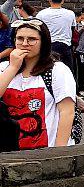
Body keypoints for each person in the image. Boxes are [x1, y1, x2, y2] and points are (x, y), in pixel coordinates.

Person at [0, 19, 78, 149]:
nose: (25, 44)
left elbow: (67, 112)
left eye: (32, 39)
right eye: (20, 39)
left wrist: (60, 151)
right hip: (10, 151)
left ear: (43, 42)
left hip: (45, 148)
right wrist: (13, 68)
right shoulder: (4, 68)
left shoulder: (57, 70)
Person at [39, 0, 77, 76]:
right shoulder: (70, 14)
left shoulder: (41, 14)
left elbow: (39, 31)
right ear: (63, 0)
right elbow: (72, 29)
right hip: (65, 46)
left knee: (48, 72)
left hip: (48, 46)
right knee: (68, 73)